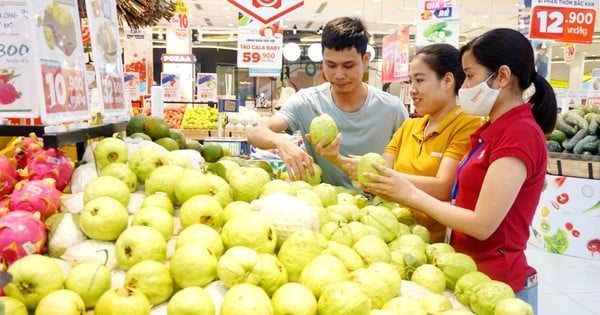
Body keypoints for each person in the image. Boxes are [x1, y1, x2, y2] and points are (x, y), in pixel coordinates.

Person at [360, 28, 557, 313]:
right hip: (469, 274)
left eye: (471, 76)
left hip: (500, 285)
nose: (464, 87)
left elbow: (482, 223)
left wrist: (411, 194)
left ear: (502, 76)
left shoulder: (519, 134)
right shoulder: (490, 130)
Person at [335, 43, 482, 242]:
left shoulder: (467, 125)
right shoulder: (409, 127)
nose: (412, 90)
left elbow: (444, 186)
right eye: (410, 81)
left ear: (447, 80)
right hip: (394, 234)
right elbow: (379, 178)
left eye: (419, 80)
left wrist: (393, 179)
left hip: (436, 245)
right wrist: (334, 157)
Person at [248, 17, 409, 189]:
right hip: (325, 208)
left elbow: (410, 164)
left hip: (382, 207)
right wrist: (280, 142)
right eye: (331, 65)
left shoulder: (392, 109)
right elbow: (255, 133)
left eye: (348, 66)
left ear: (366, 59)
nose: (339, 75)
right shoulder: (307, 101)